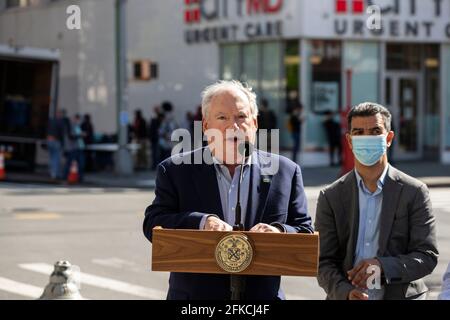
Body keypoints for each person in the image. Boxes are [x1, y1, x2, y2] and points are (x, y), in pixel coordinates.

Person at [143, 80, 313, 300]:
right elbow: (153, 223)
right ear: (206, 126)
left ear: (254, 123)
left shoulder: (286, 172)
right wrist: (202, 222)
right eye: (222, 117)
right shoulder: (175, 170)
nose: (233, 126)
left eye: (241, 117)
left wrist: (279, 232)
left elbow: (305, 231)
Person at [315, 102, 438, 300]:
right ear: (349, 141)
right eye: (359, 132)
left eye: (375, 131)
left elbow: (426, 256)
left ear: (389, 138)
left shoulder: (414, 191)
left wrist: (382, 266)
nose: (367, 138)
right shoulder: (331, 196)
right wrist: (346, 293)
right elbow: (323, 261)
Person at [63, 114, 86, 182]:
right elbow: (71, 136)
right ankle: (65, 176)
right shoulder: (71, 126)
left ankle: (79, 177)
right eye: (78, 119)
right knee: (70, 162)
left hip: (79, 147)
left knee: (80, 163)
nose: (79, 121)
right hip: (73, 148)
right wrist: (80, 135)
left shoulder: (77, 126)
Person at [46, 109, 66, 180]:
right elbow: (62, 134)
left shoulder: (51, 121)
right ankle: (54, 174)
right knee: (56, 158)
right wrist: (63, 144)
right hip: (56, 141)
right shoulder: (61, 122)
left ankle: (51, 172)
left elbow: (47, 130)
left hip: (49, 140)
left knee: (51, 158)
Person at [148, 105, 163, 170]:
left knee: (157, 153)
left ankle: (157, 165)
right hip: (154, 138)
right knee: (154, 153)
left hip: (157, 138)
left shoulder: (159, 117)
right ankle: (154, 165)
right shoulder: (154, 118)